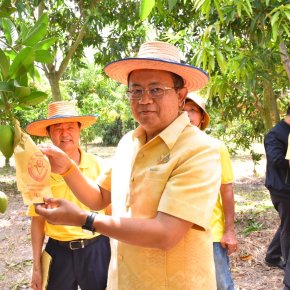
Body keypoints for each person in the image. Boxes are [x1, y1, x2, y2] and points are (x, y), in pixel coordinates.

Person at [34, 41, 221, 289]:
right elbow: (100, 197)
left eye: (156, 90)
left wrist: (84, 220)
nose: (144, 100)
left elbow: (166, 234)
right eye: (136, 91)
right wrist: (67, 168)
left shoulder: (198, 149)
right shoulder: (128, 143)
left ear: (180, 95)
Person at [26, 101, 111, 290]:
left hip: (96, 248)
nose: (65, 133)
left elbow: (111, 212)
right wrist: (36, 266)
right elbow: (37, 220)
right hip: (58, 251)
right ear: (48, 134)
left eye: (71, 127)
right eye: (57, 128)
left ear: (80, 130)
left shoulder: (99, 165)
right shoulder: (39, 171)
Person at [183, 92, 237, 290]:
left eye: (192, 110)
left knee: (222, 284)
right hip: (177, 233)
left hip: (210, 231)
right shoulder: (169, 148)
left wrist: (229, 231)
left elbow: (227, 190)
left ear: (202, 118)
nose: (186, 115)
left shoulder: (216, 147)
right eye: (182, 110)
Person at [264, 105, 290, 290]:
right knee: (288, 229)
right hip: (281, 189)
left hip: (287, 187)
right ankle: (288, 271)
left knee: (286, 223)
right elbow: (275, 159)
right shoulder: (275, 134)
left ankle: (272, 256)